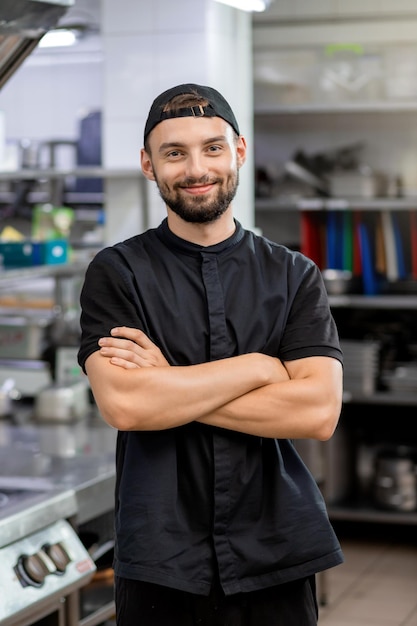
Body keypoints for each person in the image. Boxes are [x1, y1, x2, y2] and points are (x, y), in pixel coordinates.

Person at [78, 83, 344, 626]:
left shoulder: (294, 275)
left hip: (277, 547)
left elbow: (316, 412)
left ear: (239, 151)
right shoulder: (118, 272)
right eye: (174, 153)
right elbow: (128, 407)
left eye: (213, 147)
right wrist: (257, 369)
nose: (196, 168)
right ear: (149, 166)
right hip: (161, 556)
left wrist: (170, 384)